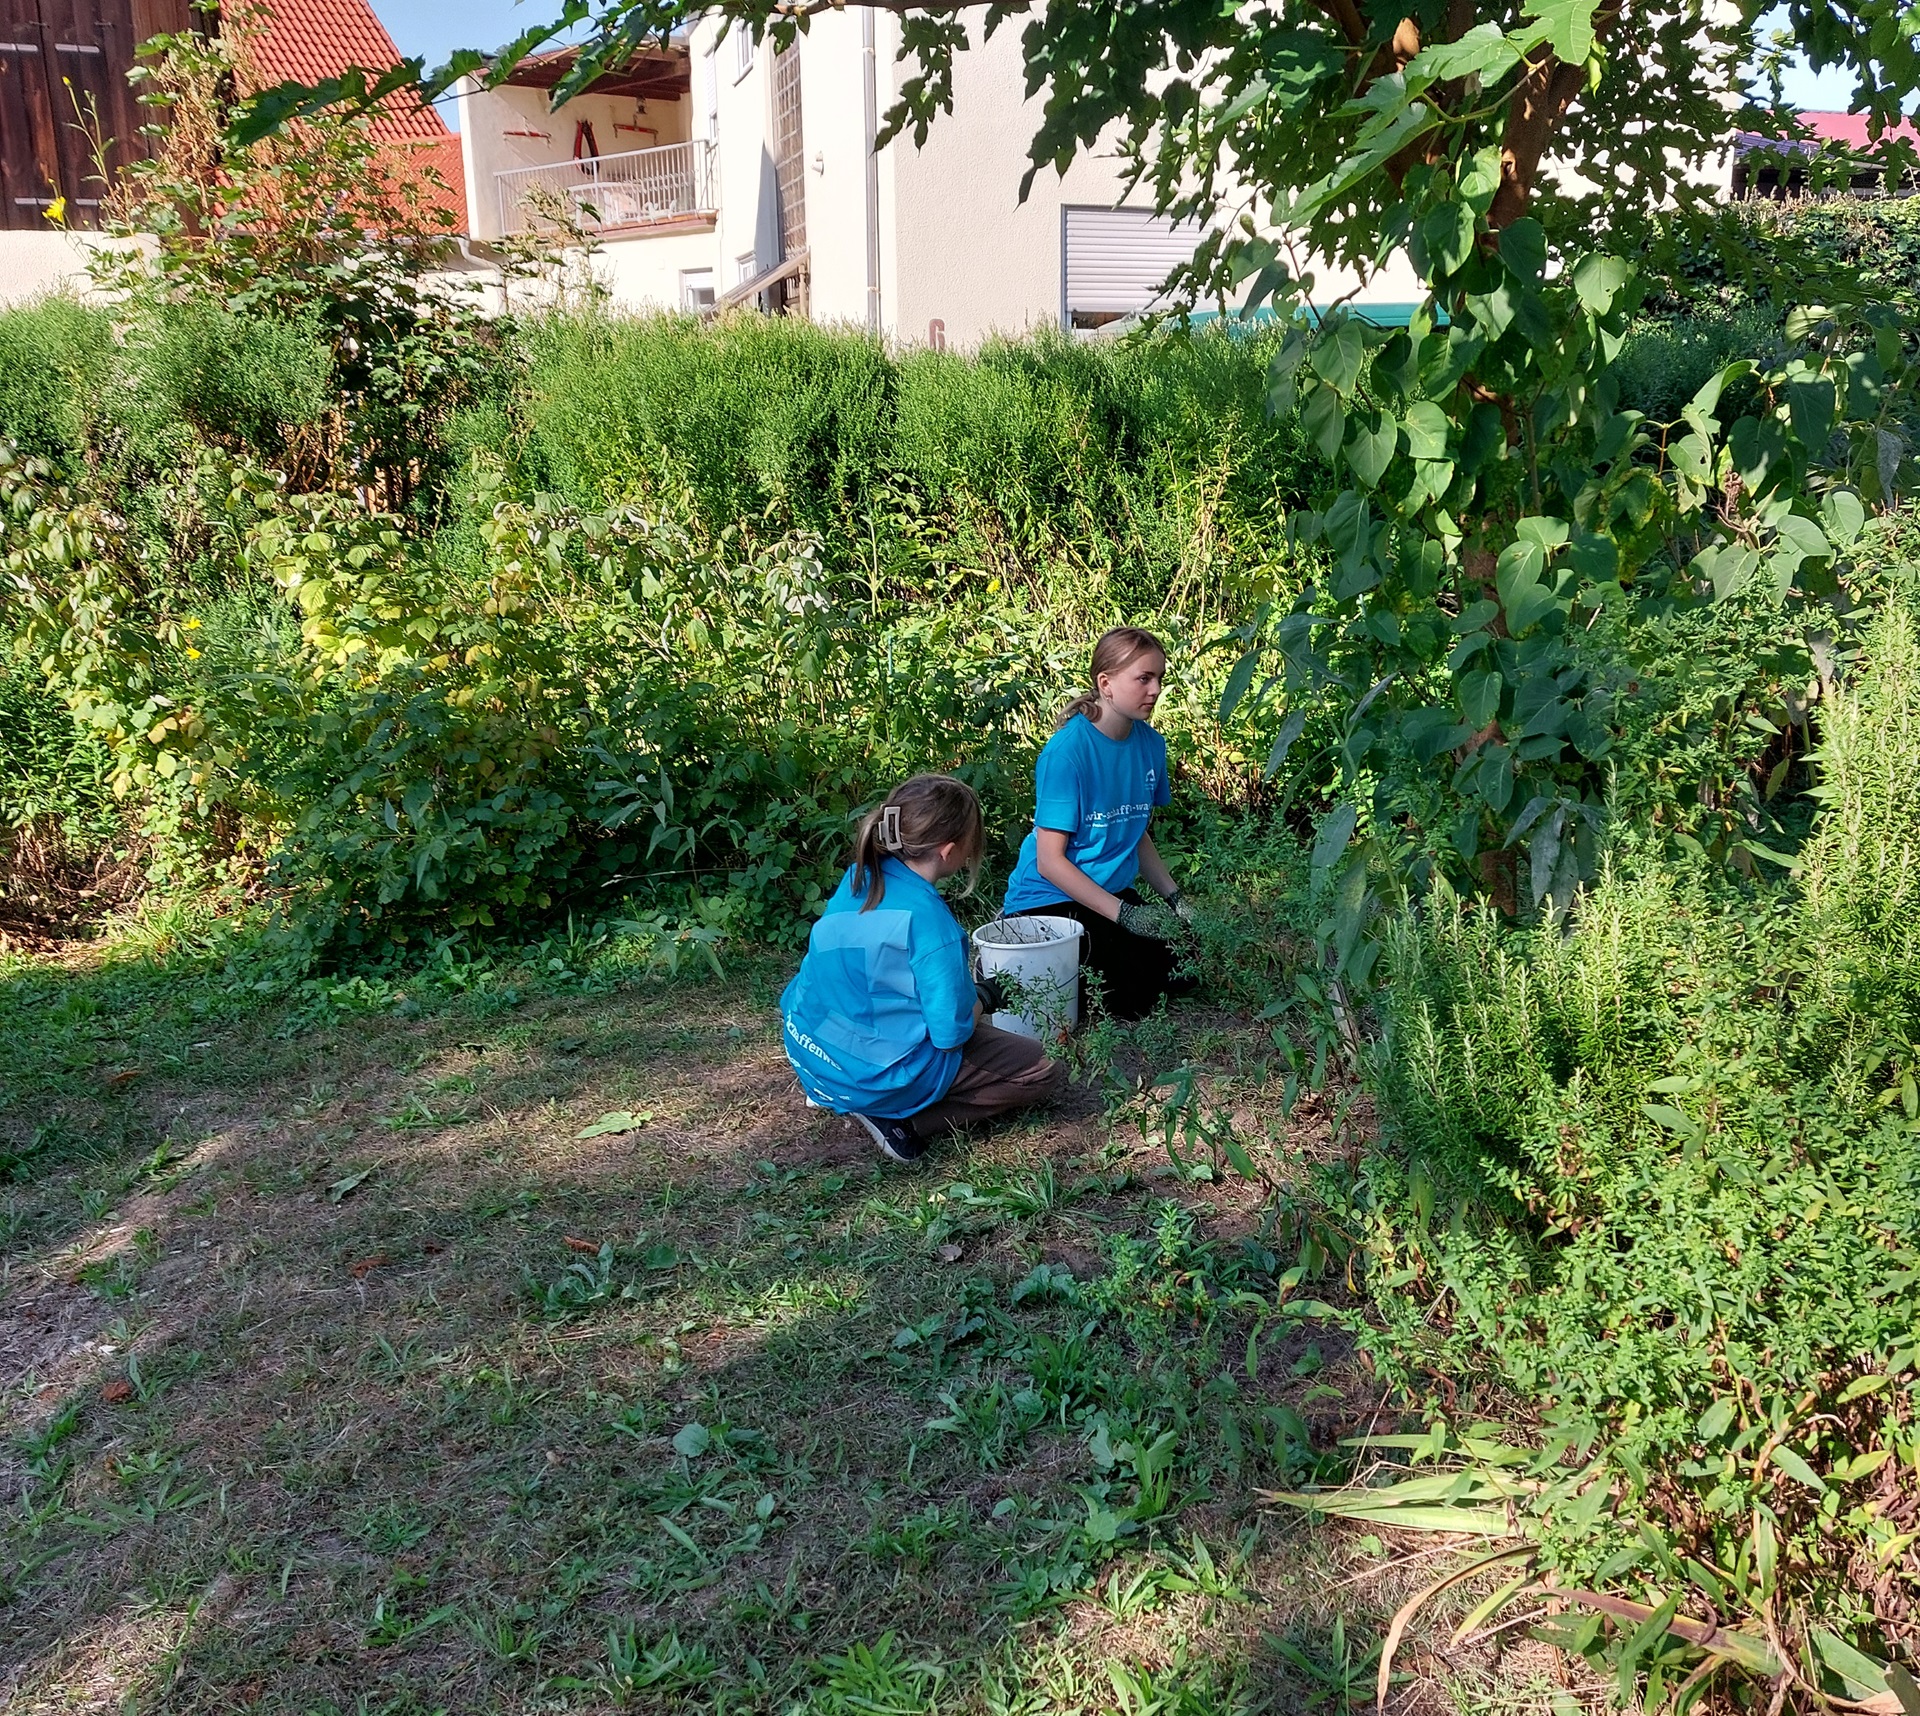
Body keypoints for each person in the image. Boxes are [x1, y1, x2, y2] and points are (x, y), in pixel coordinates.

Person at [782, 773, 1068, 1164]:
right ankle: (902, 1122)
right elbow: (950, 1034)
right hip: (874, 1076)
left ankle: (843, 1090)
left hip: (810, 1048)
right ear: (949, 852)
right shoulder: (932, 925)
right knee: (1044, 1068)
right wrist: (984, 996)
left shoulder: (861, 876)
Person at [1002, 626, 1195, 1022]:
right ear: (1105, 683)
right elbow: (1049, 862)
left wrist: (1176, 898)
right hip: (1048, 899)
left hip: (1108, 893)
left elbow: (1134, 830)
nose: (1155, 690)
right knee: (1129, 997)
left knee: (1186, 963)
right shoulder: (1066, 753)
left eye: (1159, 677)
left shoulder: (1150, 744)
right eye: (1143, 678)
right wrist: (1125, 914)